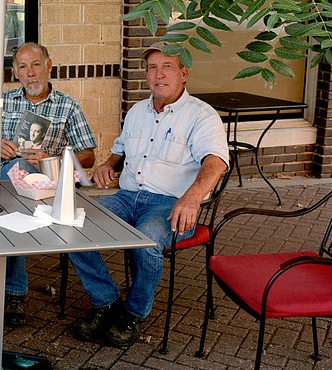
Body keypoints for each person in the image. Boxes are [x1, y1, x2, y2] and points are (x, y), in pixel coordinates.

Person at [68, 41, 229, 348]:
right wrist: (108, 165)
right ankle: (107, 302)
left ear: (184, 73)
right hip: (127, 197)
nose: (159, 74)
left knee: (147, 240)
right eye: (153, 68)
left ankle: (134, 312)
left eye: (167, 67)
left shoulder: (201, 116)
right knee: (73, 228)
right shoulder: (138, 111)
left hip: (171, 204)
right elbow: (120, 150)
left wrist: (192, 196)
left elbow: (216, 161)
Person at [0, 42, 97, 326]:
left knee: (17, 180)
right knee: (12, 184)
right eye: (23, 67)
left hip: (45, 187)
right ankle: (13, 290)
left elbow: (89, 155)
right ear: (15, 72)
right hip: (1, 186)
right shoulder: (2, 101)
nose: (30, 73)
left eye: (35, 65)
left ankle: (13, 290)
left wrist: (52, 157)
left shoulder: (67, 106)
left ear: (49, 66)